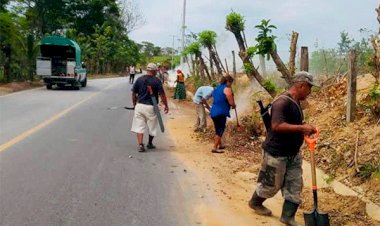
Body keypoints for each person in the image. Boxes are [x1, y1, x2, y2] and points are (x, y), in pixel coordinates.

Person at [248, 71, 318, 226]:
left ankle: (288, 217)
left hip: (293, 153)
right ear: (301, 85)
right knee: (270, 184)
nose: (310, 92)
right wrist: (301, 128)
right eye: (309, 88)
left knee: (295, 185)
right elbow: (276, 125)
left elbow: (293, 124)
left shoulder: (295, 102)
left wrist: (306, 130)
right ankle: (255, 202)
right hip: (276, 153)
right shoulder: (282, 102)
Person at [131, 63, 169, 152]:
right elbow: (162, 95)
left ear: (148, 70)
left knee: (139, 126)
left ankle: (140, 145)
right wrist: (166, 105)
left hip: (139, 106)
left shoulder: (139, 79)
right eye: (156, 71)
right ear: (154, 71)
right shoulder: (157, 81)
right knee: (152, 126)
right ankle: (150, 143)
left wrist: (134, 104)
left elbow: (133, 93)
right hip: (151, 107)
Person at [209, 75, 236, 153]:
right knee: (220, 129)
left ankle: (220, 145)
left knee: (218, 128)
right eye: (231, 83)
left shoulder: (216, 88)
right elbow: (231, 103)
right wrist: (234, 105)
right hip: (220, 112)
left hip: (213, 111)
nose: (231, 85)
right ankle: (214, 148)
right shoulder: (227, 89)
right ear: (228, 82)